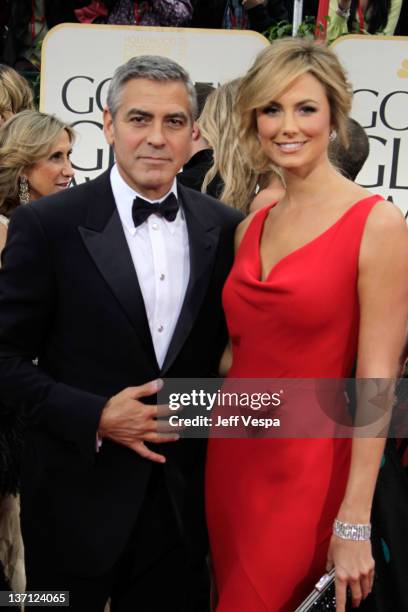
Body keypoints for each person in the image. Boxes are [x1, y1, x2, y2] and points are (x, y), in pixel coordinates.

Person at [0, 55, 242, 611]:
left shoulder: (226, 228)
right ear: (108, 126)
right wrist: (96, 415)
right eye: (139, 119)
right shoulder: (48, 224)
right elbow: (6, 361)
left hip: (181, 508)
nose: (156, 138)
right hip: (70, 500)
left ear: (194, 132)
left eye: (173, 122)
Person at [205, 37, 408, 611]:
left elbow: (377, 380)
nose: (286, 126)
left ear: (334, 117)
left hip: (313, 471)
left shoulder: (378, 224)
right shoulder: (254, 224)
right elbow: (235, 356)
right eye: (271, 109)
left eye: (305, 109)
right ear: (253, 120)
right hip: (234, 460)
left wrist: (355, 518)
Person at [0, 110, 74, 598]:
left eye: (69, 155)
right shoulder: (8, 230)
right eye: (55, 157)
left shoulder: (45, 226)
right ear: (23, 169)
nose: (69, 169)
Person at [327, 0, 403, 43]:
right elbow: (331, 39)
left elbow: (385, 41)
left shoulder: (394, 1)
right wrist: (343, 7)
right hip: (341, 58)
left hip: (375, 58)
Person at [191, 0, 288, 31]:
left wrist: (256, 9)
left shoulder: (271, 2)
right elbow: (198, 31)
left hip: (259, 64)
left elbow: (281, 39)